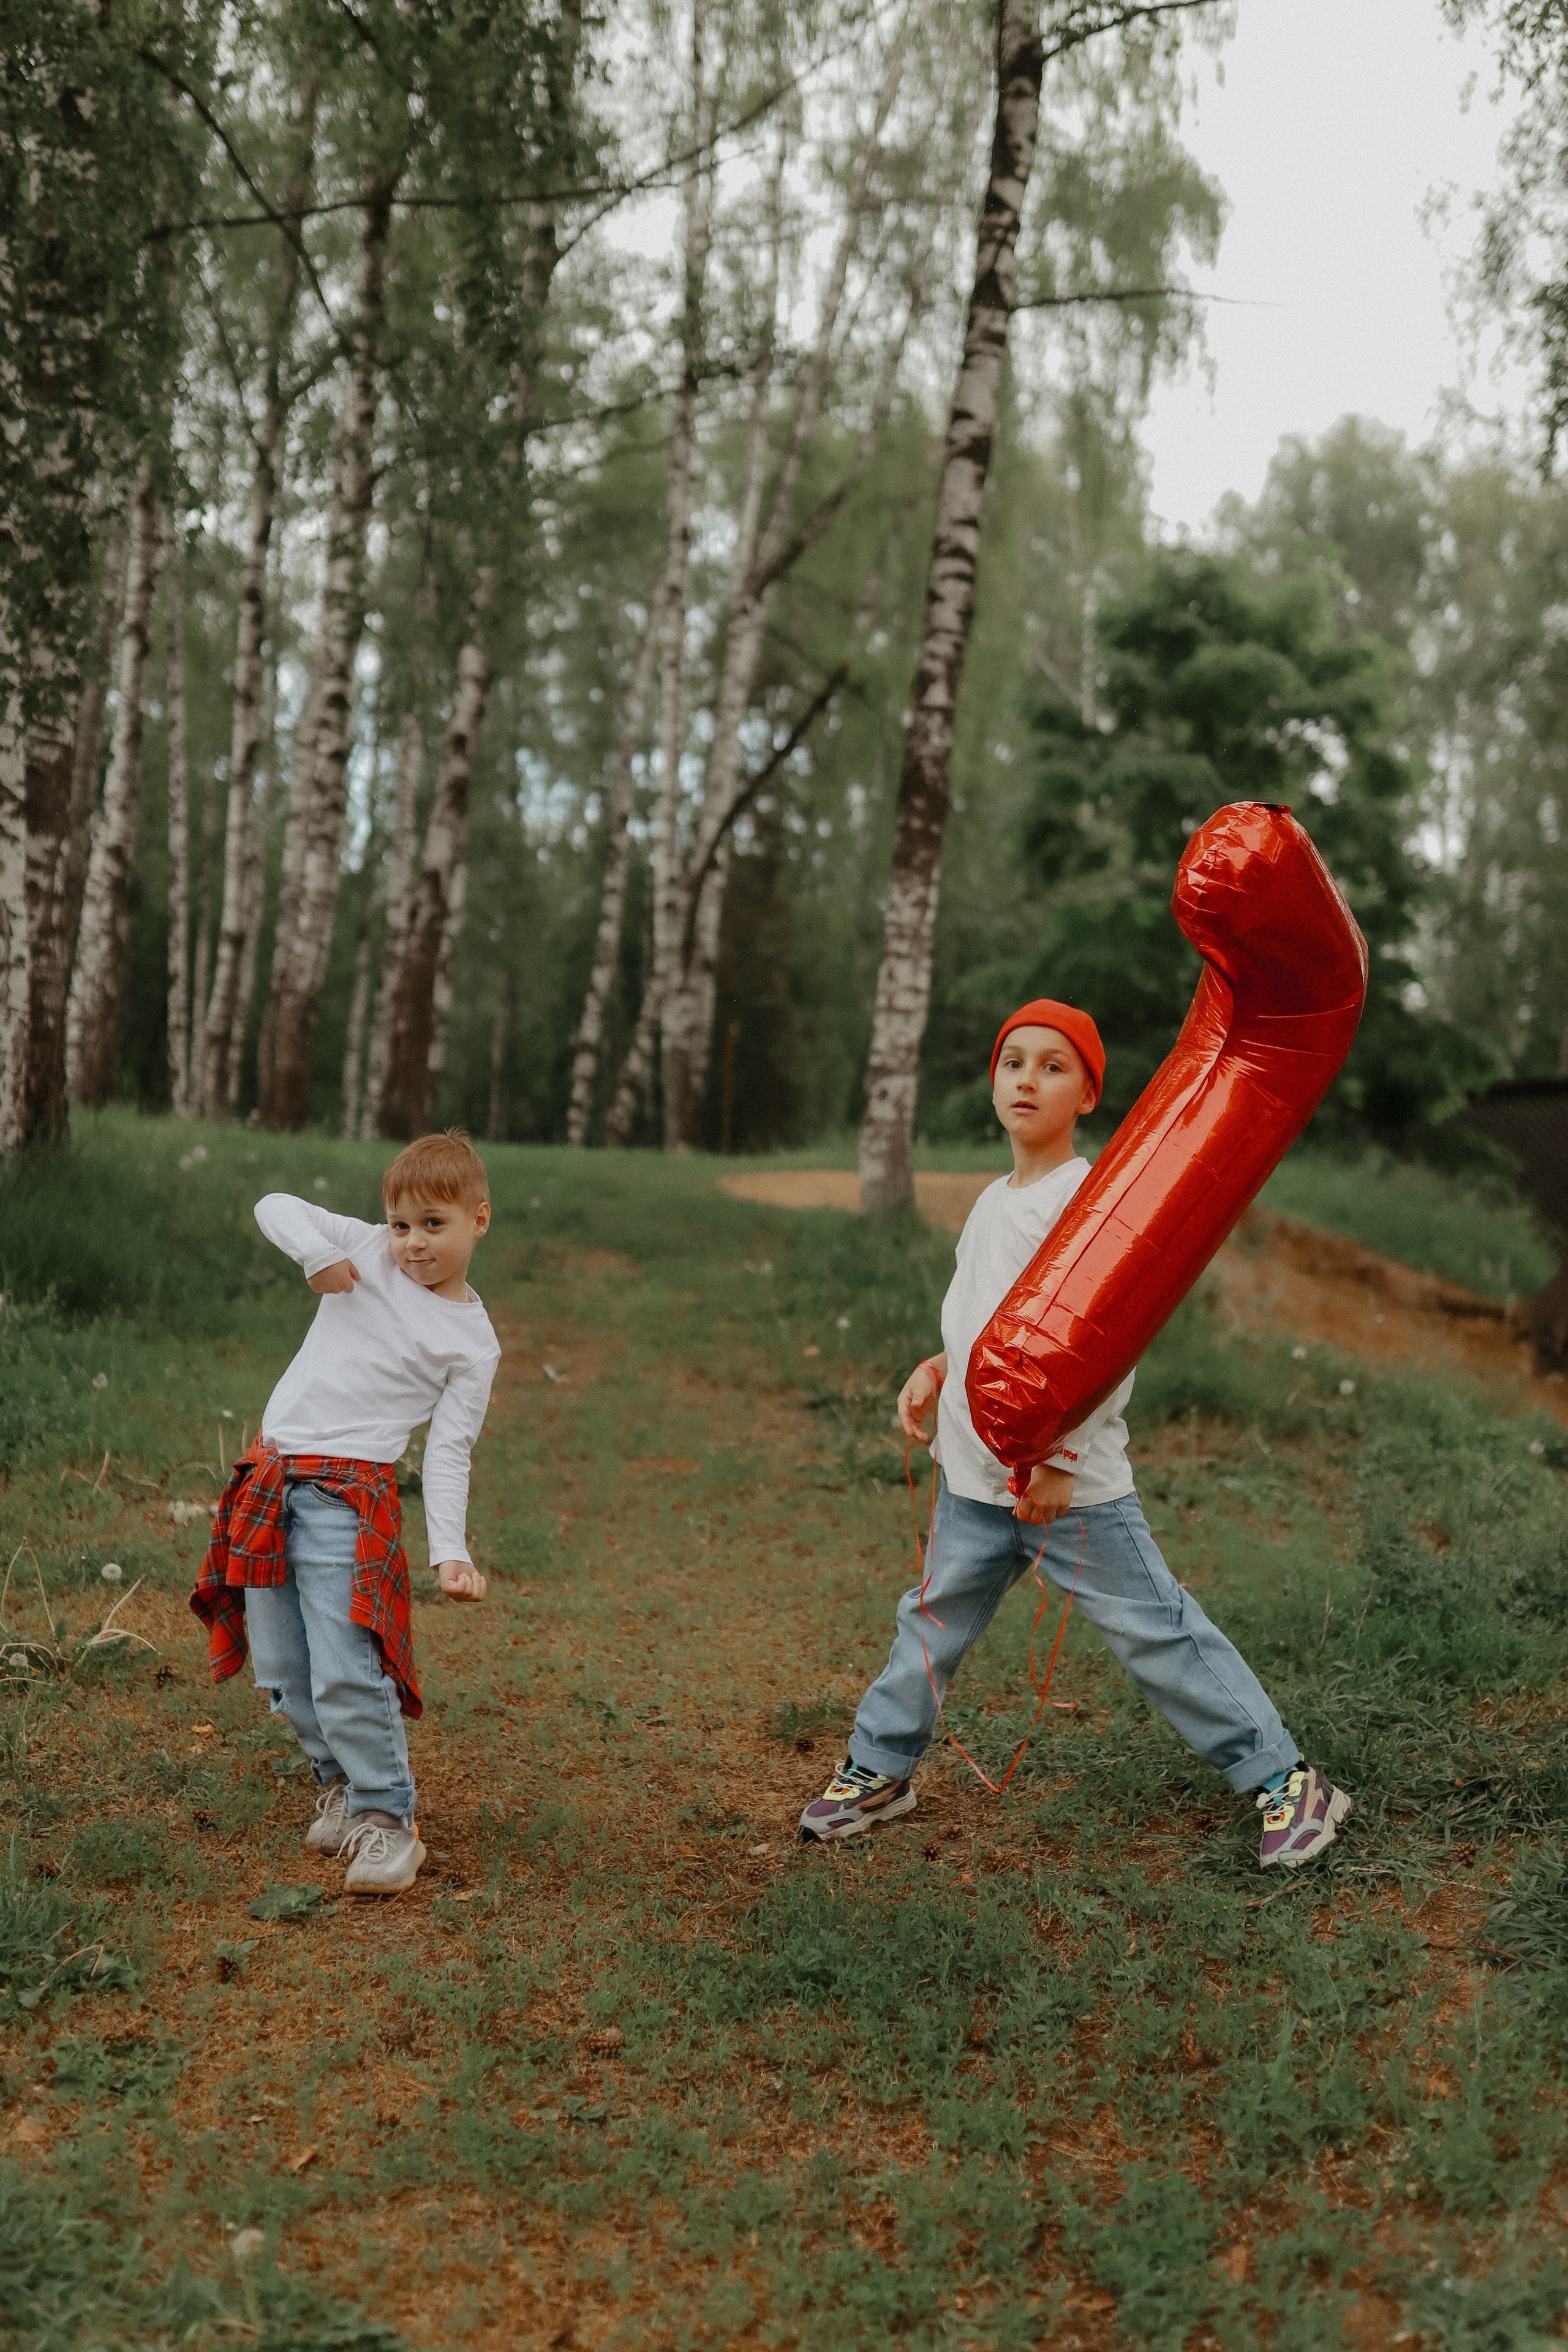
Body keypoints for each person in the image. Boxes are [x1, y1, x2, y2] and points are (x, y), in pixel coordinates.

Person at [799, 1001, 1351, 1872]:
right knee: (930, 1627)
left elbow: (1106, 1333)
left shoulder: (1096, 1198)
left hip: (1067, 1491)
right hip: (975, 1484)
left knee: (1157, 1635)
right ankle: (880, 1768)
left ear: (1090, 1093)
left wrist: (1057, 1456)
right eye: (1012, 1061)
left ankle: (1286, 1781)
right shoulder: (992, 1202)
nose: (1026, 1078)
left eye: (1053, 1066)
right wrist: (938, 1368)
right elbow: (988, 1320)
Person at [192, 1129, 500, 1896]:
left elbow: (451, 1453)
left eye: (435, 1224)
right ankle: (337, 1785)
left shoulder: (471, 1344)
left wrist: (450, 1549)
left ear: (478, 1220)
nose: (412, 1244)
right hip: (270, 1475)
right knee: (285, 1667)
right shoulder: (362, 1248)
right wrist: (317, 1258)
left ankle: (387, 1817)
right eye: (402, 1225)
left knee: (342, 1667)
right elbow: (274, 1203)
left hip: (344, 1498)